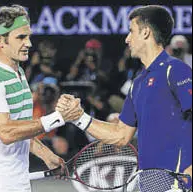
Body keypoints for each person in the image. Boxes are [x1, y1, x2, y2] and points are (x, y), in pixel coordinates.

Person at [56, 5, 192, 188]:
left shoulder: (175, 70)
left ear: (145, 33)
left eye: (131, 31)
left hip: (179, 182)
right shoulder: (137, 83)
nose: (127, 39)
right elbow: (120, 135)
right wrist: (79, 117)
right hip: (149, 183)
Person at [0, 5, 82, 192]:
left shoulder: (18, 73)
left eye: (28, 36)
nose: (28, 43)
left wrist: (47, 155)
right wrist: (59, 117)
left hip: (18, 182)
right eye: (20, 37)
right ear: (1, 41)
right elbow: (7, 132)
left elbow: (22, 128)